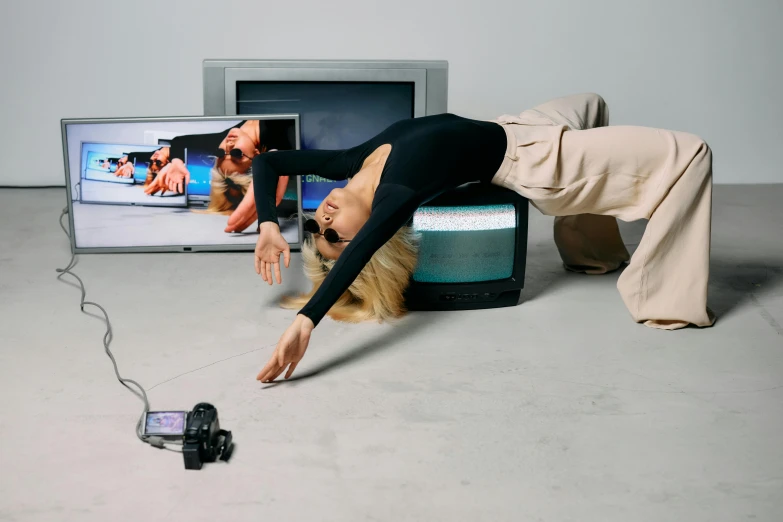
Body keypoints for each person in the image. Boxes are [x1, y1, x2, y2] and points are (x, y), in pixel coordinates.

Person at [251, 93, 715, 383]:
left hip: (518, 126)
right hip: (540, 162)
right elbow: (360, 257)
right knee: (691, 154)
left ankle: (591, 253)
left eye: (317, 229)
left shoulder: (352, 161)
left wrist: (270, 224)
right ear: (372, 236)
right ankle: (665, 301)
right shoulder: (396, 196)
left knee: (592, 103)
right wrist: (308, 319)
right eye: (337, 236)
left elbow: (268, 164)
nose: (325, 220)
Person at [116, 120, 293, 232]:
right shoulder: (282, 135)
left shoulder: (225, 138)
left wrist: (176, 162)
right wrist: (274, 161)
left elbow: (179, 141)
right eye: (237, 154)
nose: (228, 146)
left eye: (221, 153)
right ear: (255, 156)